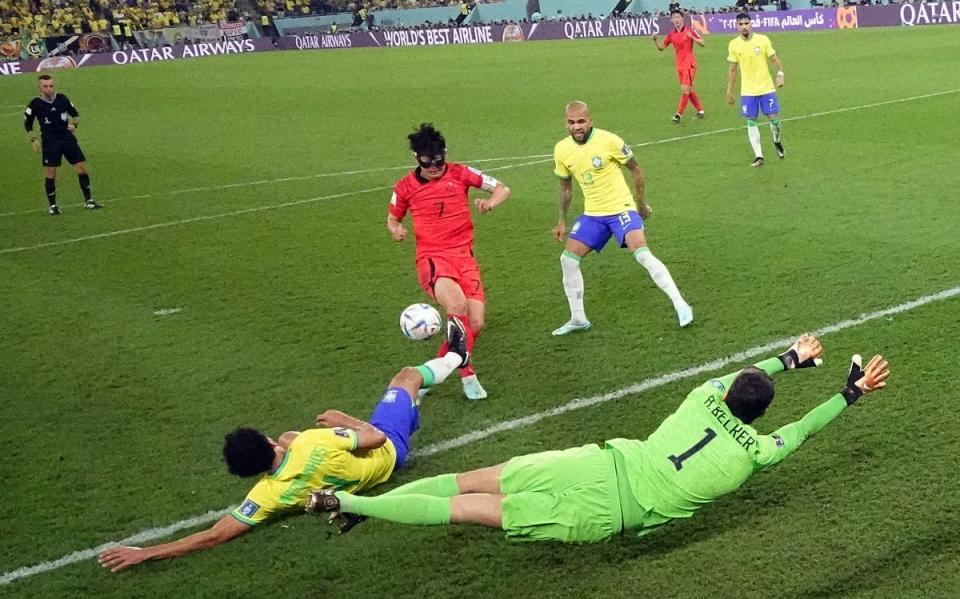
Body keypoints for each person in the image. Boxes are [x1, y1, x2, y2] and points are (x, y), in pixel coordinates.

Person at [307, 335, 890, 543]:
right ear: (761, 413)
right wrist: (852, 392)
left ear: (730, 389)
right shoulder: (755, 454)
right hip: (608, 512)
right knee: (469, 511)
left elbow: (750, 372)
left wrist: (790, 358)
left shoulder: (701, 396)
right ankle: (358, 504)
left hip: (594, 464)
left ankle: (366, 506)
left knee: (465, 484)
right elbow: (802, 430)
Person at [97, 320, 471, 572]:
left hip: (350, 479)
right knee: (405, 378)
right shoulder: (309, 442)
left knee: (399, 403)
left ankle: (414, 403)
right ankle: (457, 355)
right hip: (387, 454)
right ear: (266, 439)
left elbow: (214, 536)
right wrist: (344, 420)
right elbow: (375, 438)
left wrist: (144, 553)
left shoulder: (267, 495)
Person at [387, 123, 511, 401]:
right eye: (427, 161)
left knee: (475, 323)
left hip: (464, 257)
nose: (434, 166)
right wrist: (396, 229)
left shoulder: (461, 173)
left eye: (439, 159)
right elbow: (393, 217)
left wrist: (491, 203)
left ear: (445, 153)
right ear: (416, 158)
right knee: (458, 307)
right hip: (433, 257)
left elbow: (502, 188)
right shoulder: (405, 187)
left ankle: (427, 375)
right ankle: (468, 376)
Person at [551, 101, 692, 336]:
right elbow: (565, 188)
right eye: (571, 122)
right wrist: (562, 221)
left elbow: (636, 169)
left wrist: (640, 204)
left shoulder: (609, 141)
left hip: (621, 209)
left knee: (642, 254)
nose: (576, 127)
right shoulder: (561, 149)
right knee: (568, 260)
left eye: (581, 122)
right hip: (593, 214)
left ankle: (680, 304)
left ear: (591, 120)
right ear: (566, 123)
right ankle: (578, 318)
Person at [23, 74, 101, 215]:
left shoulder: (62, 99)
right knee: (51, 172)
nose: (49, 89)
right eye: (45, 86)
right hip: (50, 141)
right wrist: (33, 140)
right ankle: (53, 206)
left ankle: (89, 201)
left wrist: (73, 125)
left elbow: (75, 115)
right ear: (39, 87)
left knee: (81, 168)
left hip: (67, 138)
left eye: (51, 86)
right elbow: (27, 123)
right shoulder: (35, 103)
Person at [725, 12, 785, 167]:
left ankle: (776, 140)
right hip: (748, 91)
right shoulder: (734, 44)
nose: (744, 26)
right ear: (736, 26)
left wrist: (780, 73)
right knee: (751, 121)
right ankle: (759, 155)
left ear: (751, 24)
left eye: (746, 23)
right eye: (741, 24)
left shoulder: (763, 40)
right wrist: (729, 91)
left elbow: (774, 59)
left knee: (774, 120)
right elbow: (732, 69)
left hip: (766, 88)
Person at [652, 9, 706, 123]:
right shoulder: (671, 34)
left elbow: (702, 42)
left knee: (685, 90)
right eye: (674, 17)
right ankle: (700, 111)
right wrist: (655, 40)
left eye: (678, 17)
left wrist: (693, 37)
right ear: (671, 20)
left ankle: (678, 115)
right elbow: (661, 48)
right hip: (679, 65)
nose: (676, 19)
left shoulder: (689, 30)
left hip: (689, 64)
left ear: (682, 18)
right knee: (689, 89)